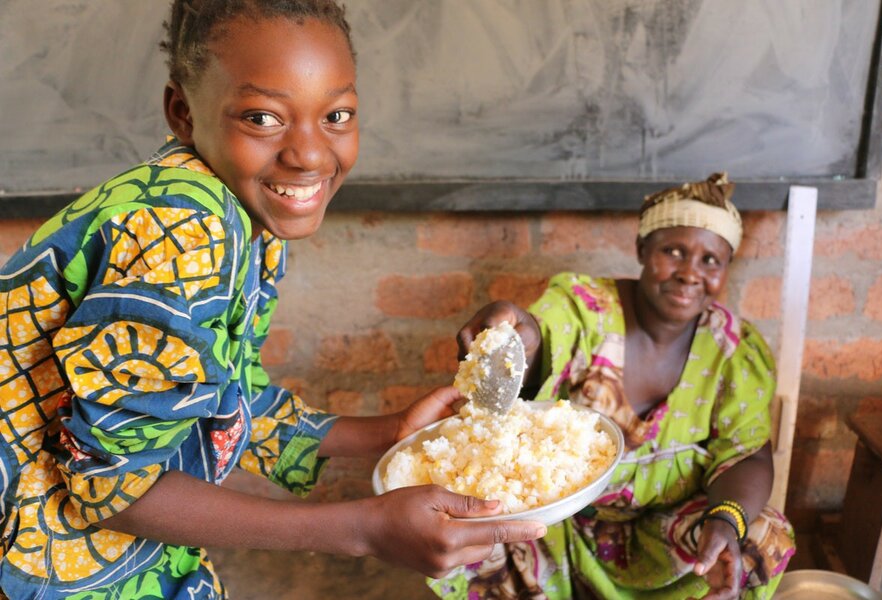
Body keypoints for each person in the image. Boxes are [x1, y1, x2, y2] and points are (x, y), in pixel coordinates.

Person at [0, 2, 546, 598]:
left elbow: (222, 402)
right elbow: (111, 483)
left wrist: (390, 431)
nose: (309, 154)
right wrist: (362, 528)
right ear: (183, 112)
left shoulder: (240, 216)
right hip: (38, 548)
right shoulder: (183, 232)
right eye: (263, 118)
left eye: (337, 114)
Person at [437, 173, 795, 599]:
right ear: (643, 249)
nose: (689, 274)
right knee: (468, 534)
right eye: (673, 252)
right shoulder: (584, 308)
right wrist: (519, 334)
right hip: (556, 528)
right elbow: (541, 337)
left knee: (761, 531)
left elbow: (747, 454)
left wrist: (724, 520)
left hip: (665, 534)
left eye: (710, 261)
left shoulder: (733, 351)